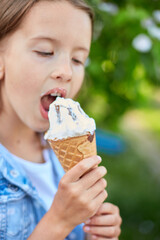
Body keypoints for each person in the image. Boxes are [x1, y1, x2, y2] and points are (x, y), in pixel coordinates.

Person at [0, 0, 122, 239]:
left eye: (78, 60)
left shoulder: (61, 151)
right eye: (45, 51)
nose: (66, 72)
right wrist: (59, 222)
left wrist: (96, 233)